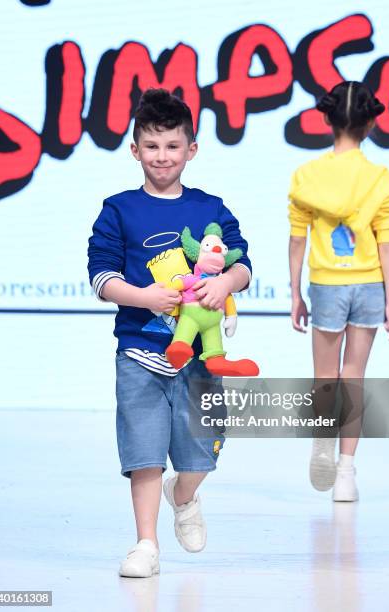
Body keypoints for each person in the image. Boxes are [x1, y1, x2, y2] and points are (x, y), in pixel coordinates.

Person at [87, 88, 252, 577]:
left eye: (173, 146)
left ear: (191, 150)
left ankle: (184, 495)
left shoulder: (210, 207)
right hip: (141, 351)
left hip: (201, 357)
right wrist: (147, 297)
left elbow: (243, 264)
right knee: (143, 450)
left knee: (202, 452)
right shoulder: (118, 209)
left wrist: (223, 283)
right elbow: (101, 277)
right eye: (152, 146)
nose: (163, 156)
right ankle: (145, 544)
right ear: (135, 149)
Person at [288, 81, 389, 502]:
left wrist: (296, 293)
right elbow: (386, 243)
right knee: (354, 376)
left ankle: (322, 437)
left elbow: (297, 239)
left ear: (327, 119)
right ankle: (346, 474)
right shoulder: (380, 180)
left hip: (327, 284)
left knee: (326, 376)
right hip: (369, 283)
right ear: (371, 123)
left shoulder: (307, 178)